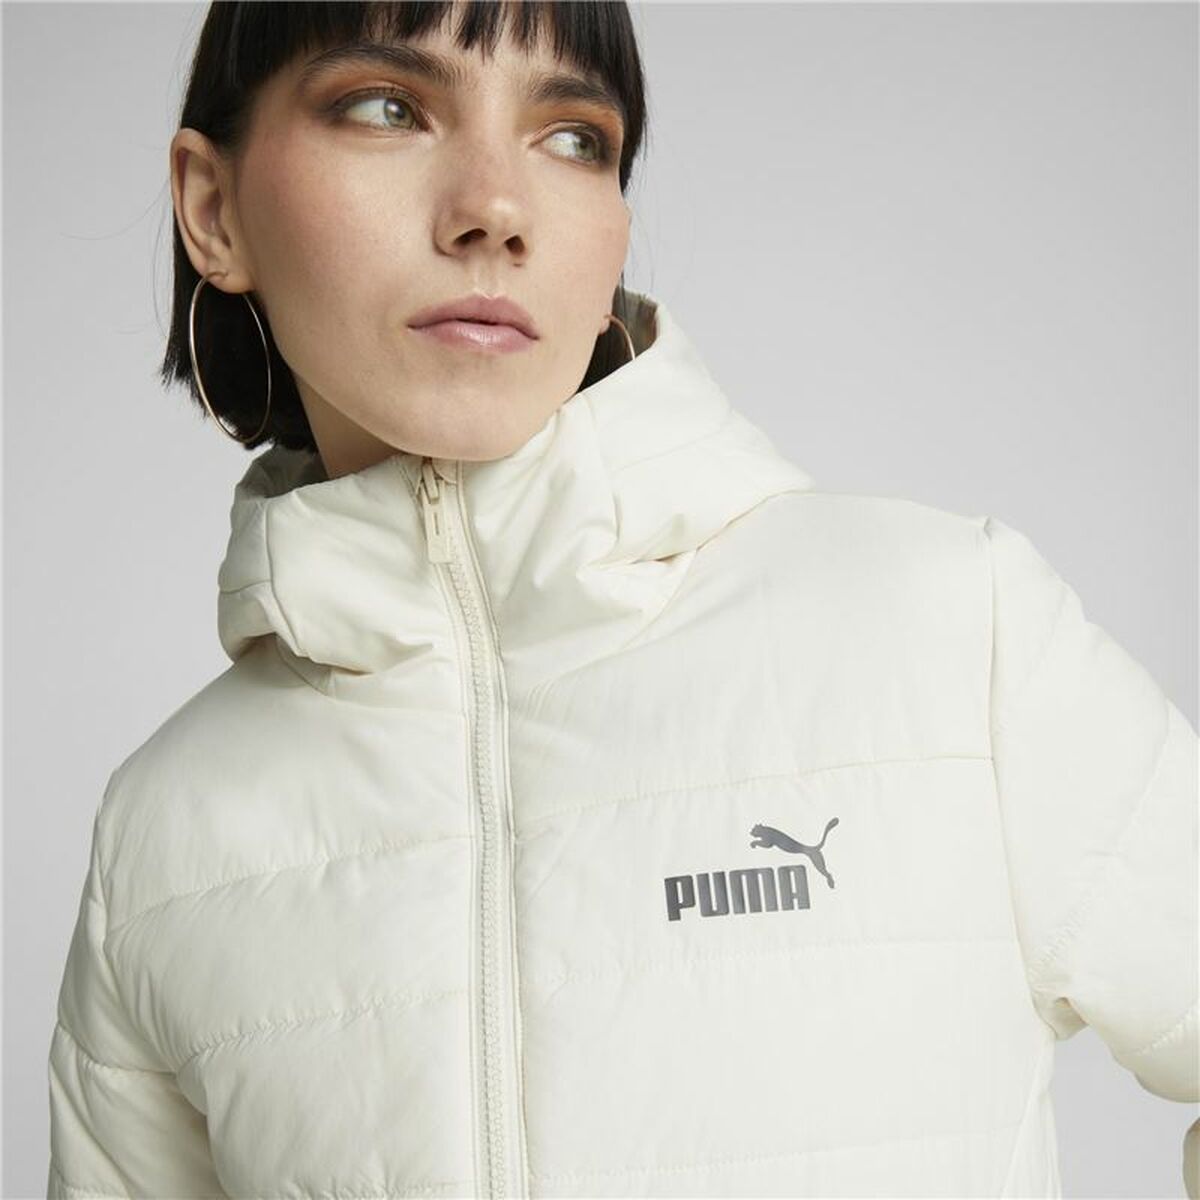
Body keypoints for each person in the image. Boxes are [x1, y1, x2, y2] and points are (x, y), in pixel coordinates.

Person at [46, 3, 1198, 1198]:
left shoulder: (950, 630)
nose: (496, 208)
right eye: (389, 108)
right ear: (213, 209)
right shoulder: (164, 835)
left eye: (572, 137)